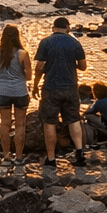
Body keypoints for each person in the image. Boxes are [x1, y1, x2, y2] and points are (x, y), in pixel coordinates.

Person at [32, 15, 88, 166]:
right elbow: (83, 66)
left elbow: (39, 67)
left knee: (49, 122)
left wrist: (35, 85)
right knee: (73, 119)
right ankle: (79, 152)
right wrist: (71, 65)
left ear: (53, 28)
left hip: (51, 88)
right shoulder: (75, 43)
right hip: (70, 87)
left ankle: (51, 158)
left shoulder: (45, 42)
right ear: (68, 28)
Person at [0, 23, 32, 164]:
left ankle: (6, 155)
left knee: (5, 124)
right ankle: (19, 156)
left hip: (3, 91)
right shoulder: (22, 54)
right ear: (17, 37)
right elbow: (28, 76)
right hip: (20, 91)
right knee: (20, 124)